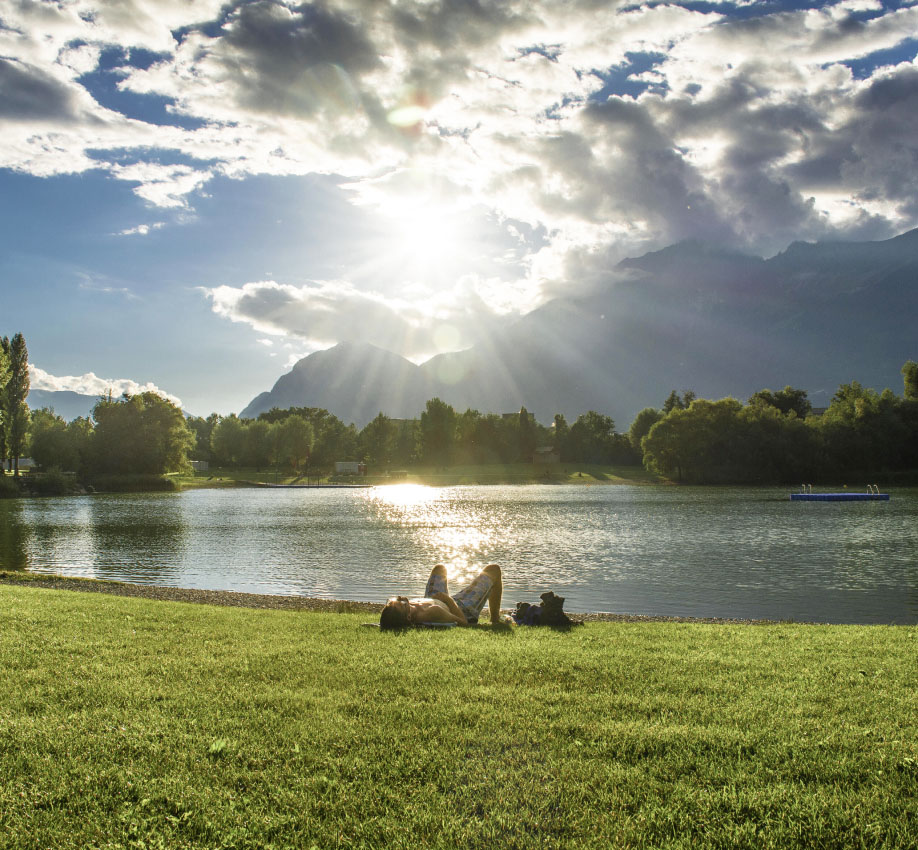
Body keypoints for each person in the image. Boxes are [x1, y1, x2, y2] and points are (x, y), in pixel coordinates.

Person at [379, 563, 503, 629]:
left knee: (439, 569)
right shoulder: (432, 612)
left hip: (435, 598)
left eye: (395, 599)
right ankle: (495, 620)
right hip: (460, 607)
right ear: (409, 616)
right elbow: (463, 622)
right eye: (401, 603)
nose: (401, 598)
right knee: (493, 570)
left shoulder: (408, 610)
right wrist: (448, 599)